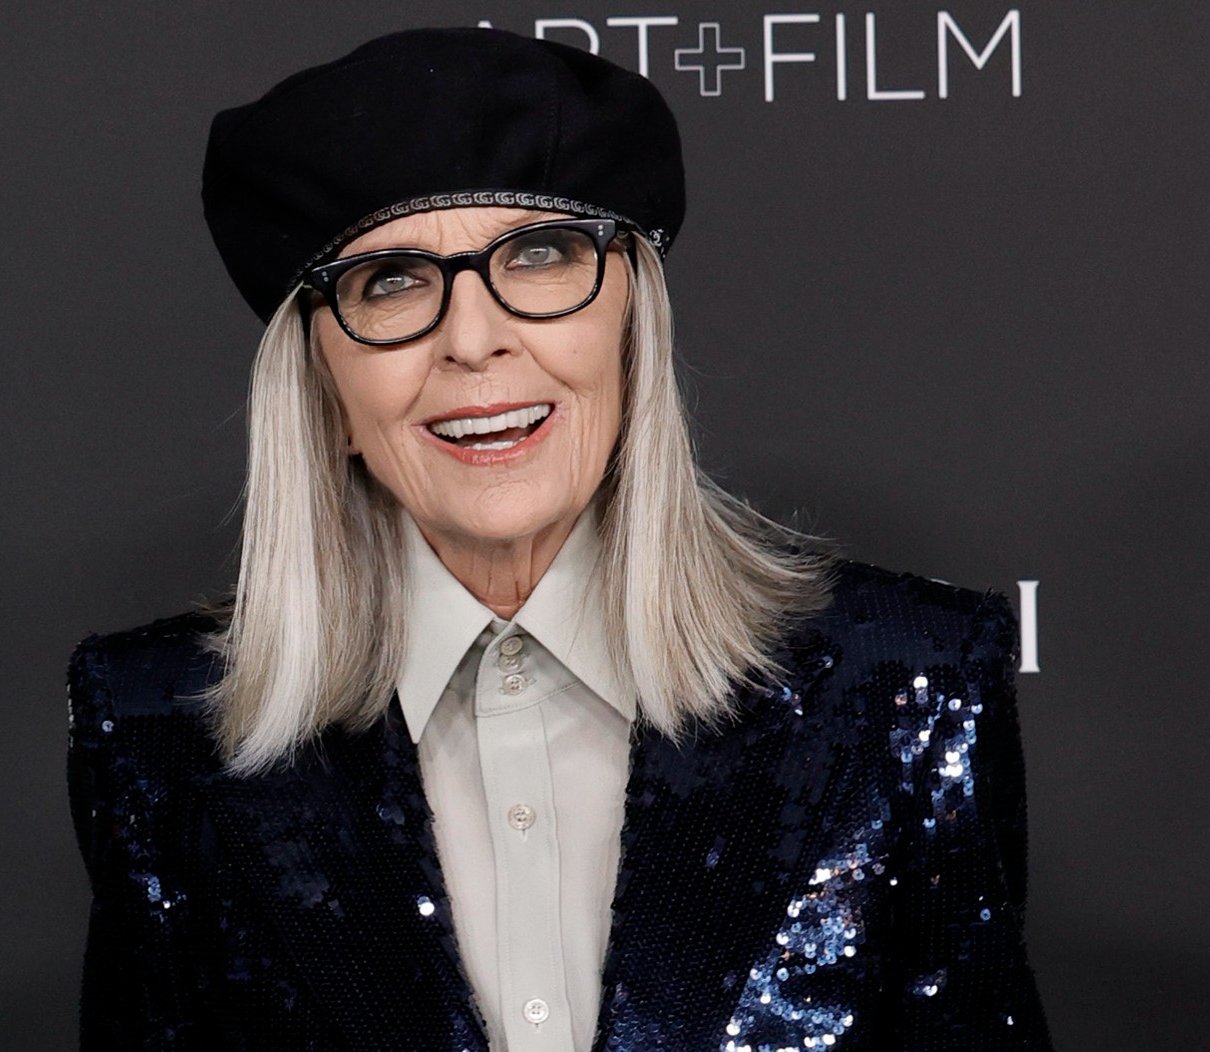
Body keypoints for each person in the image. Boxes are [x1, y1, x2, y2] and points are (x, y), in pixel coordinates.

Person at [65, 26, 1053, 1052]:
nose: (473, 337)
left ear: (632, 325)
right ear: (323, 388)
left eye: (538, 257)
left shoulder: (910, 684)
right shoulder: (157, 734)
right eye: (392, 281)